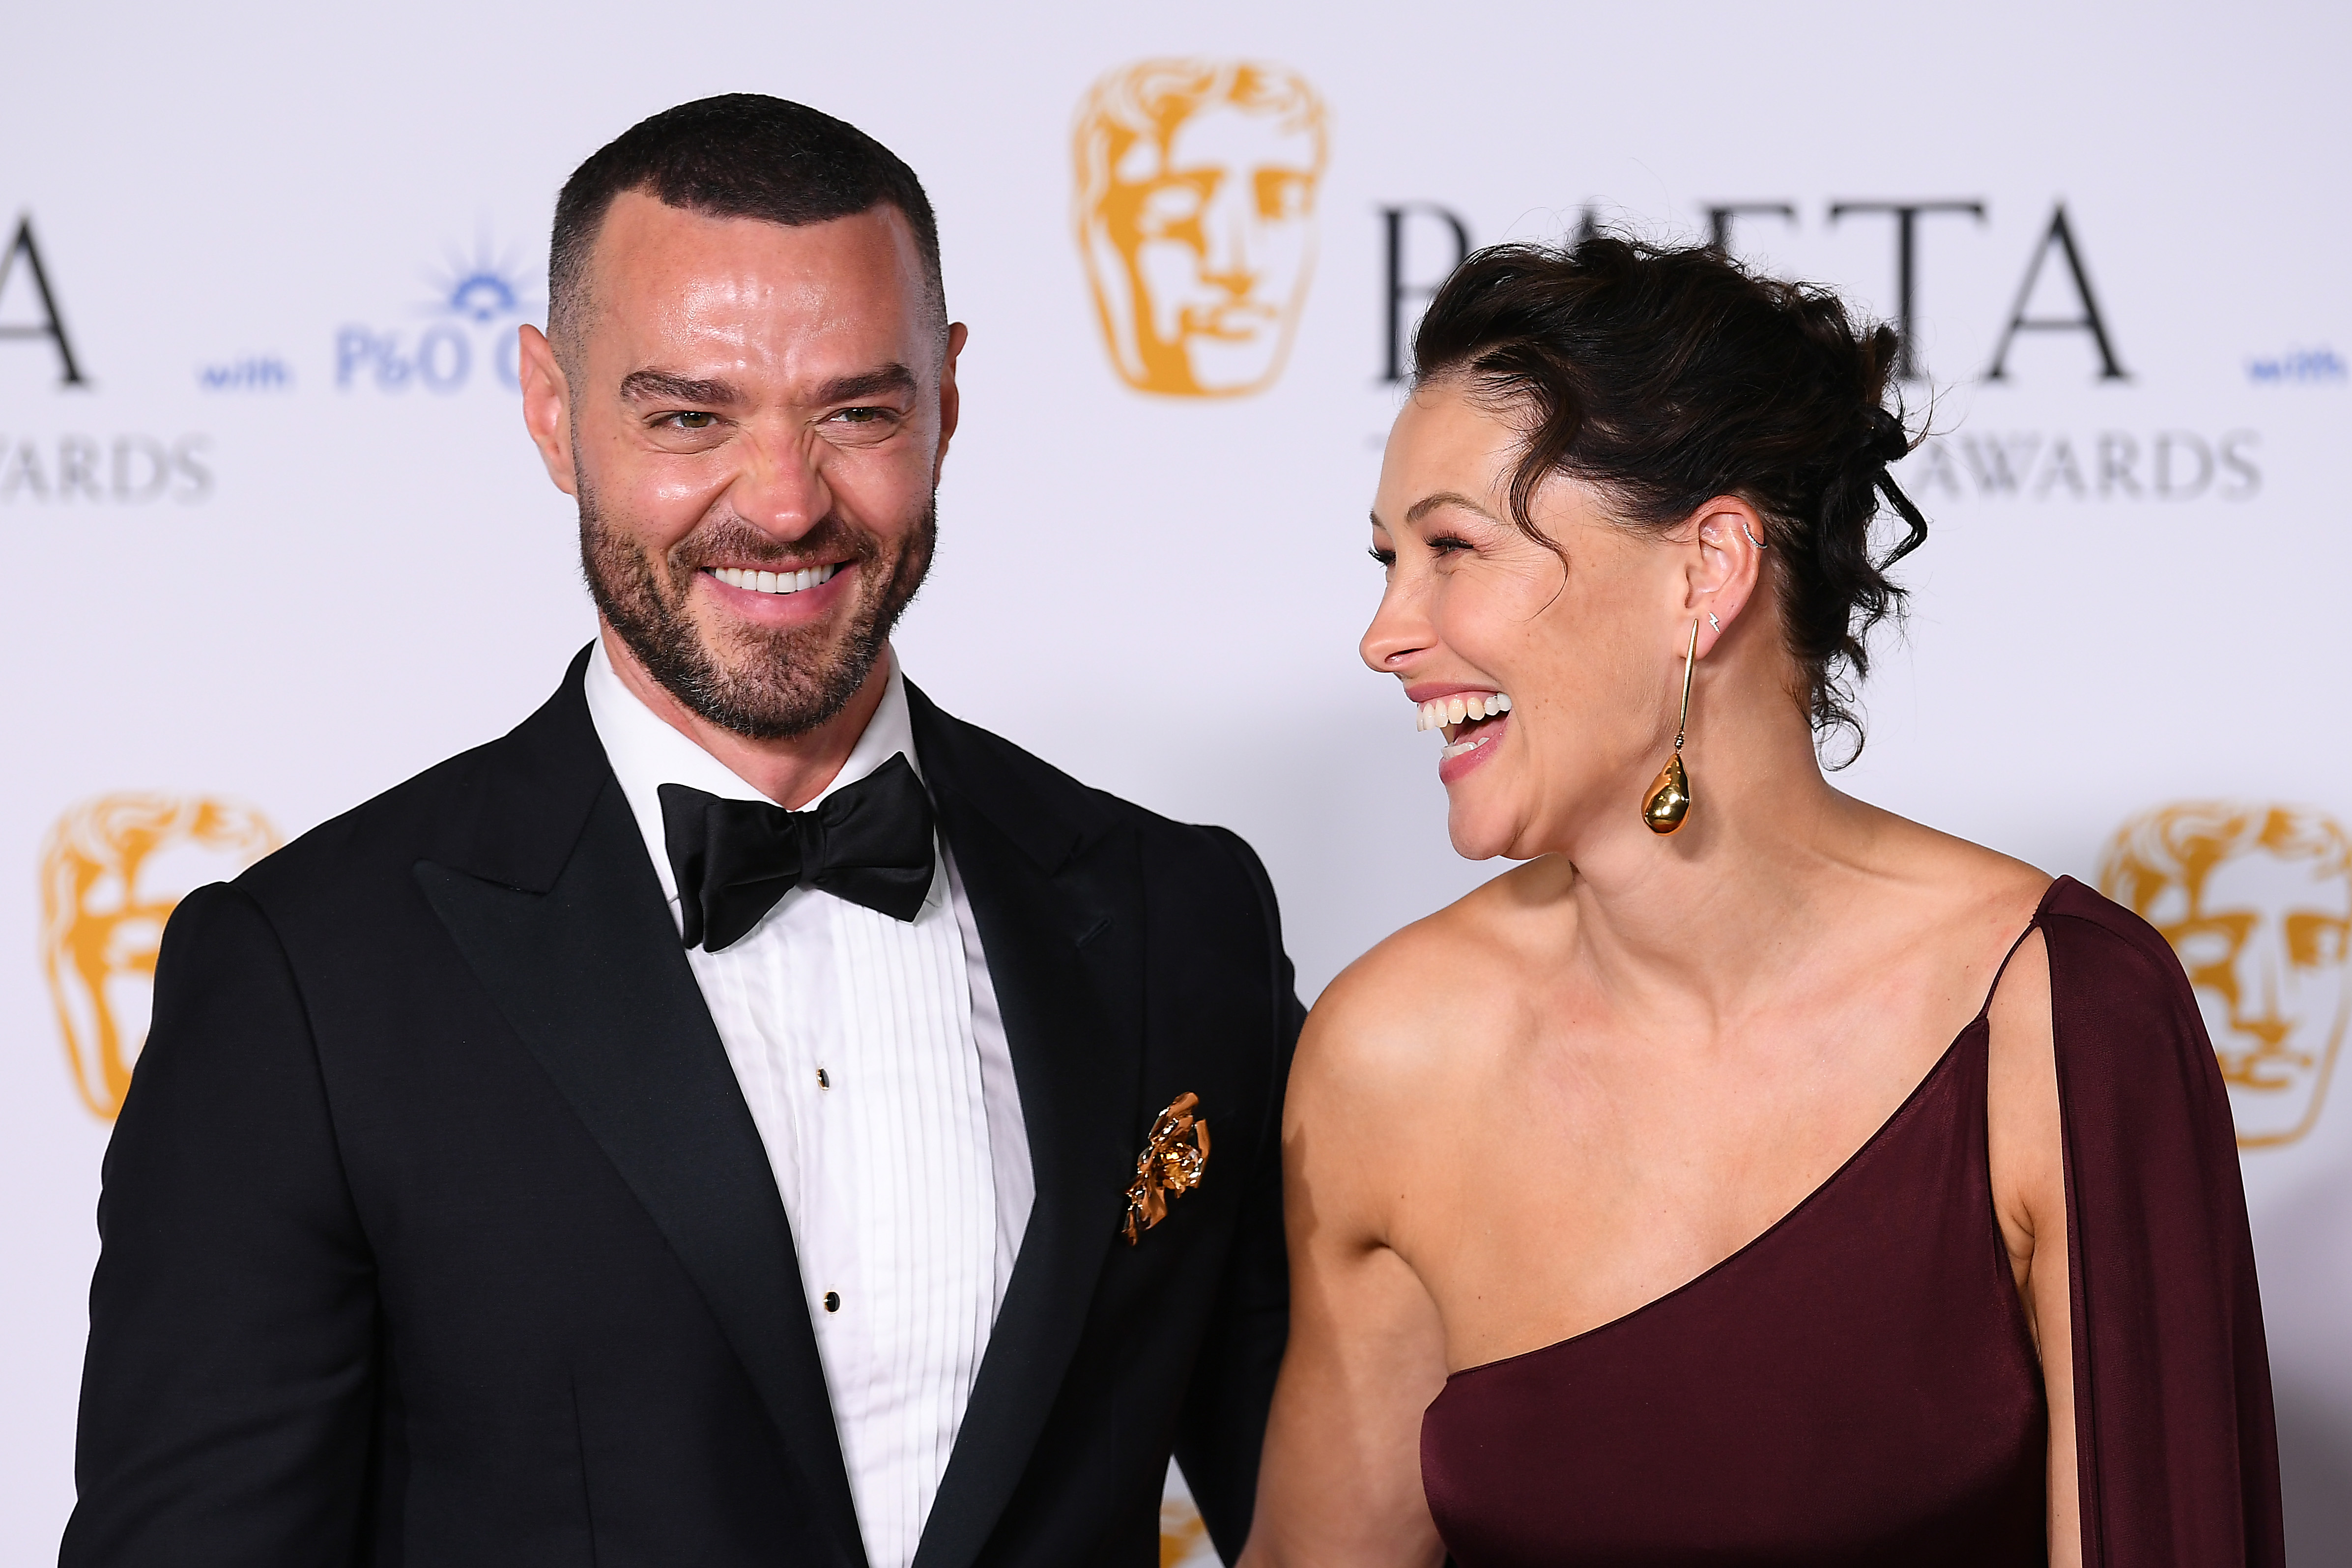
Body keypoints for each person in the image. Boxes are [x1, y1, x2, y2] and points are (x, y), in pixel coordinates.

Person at [63, 95, 1299, 1568]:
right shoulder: (307, 980)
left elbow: (1327, 1506)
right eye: (687, 417)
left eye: (857, 411)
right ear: (549, 408)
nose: (782, 506)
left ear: (948, 401)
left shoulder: (1177, 914)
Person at [1240, 237, 2281, 1567]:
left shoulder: (2061, 1014)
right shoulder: (1390, 1050)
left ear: (1702, 572)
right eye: (1388, 559)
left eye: (1451, 547)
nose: (1386, 634)